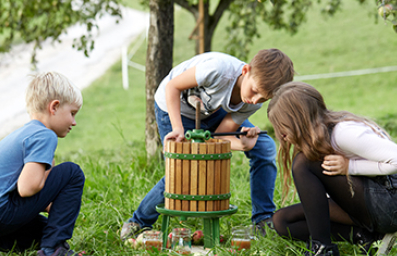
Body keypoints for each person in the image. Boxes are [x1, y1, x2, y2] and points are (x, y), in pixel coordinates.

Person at [120, 49, 295, 241]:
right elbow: (172, 87)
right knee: (183, 168)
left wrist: (245, 145)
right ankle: (138, 222)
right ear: (246, 70)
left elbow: (219, 136)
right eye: (254, 92)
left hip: (211, 111)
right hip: (175, 106)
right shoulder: (218, 70)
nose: (254, 100)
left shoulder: (252, 101)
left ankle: (263, 220)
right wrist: (177, 128)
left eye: (263, 98)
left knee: (264, 146)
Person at [0, 71, 96, 256]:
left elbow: (31, 196)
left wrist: (58, 210)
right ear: (54, 107)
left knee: (45, 231)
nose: (74, 122)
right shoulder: (45, 136)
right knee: (71, 172)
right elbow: (27, 189)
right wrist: (51, 182)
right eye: (72, 113)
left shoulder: (24, 133)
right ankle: (52, 252)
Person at [267, 81, 397, 256]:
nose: (281, 136)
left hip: (393, 202)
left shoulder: (343, 133)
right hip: (369, 200)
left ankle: (323, 249)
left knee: (303, 163)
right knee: (282, 221)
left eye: (283, 127)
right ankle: (365, 237)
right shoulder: (320, 137)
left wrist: (350, 167)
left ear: (299, 119)